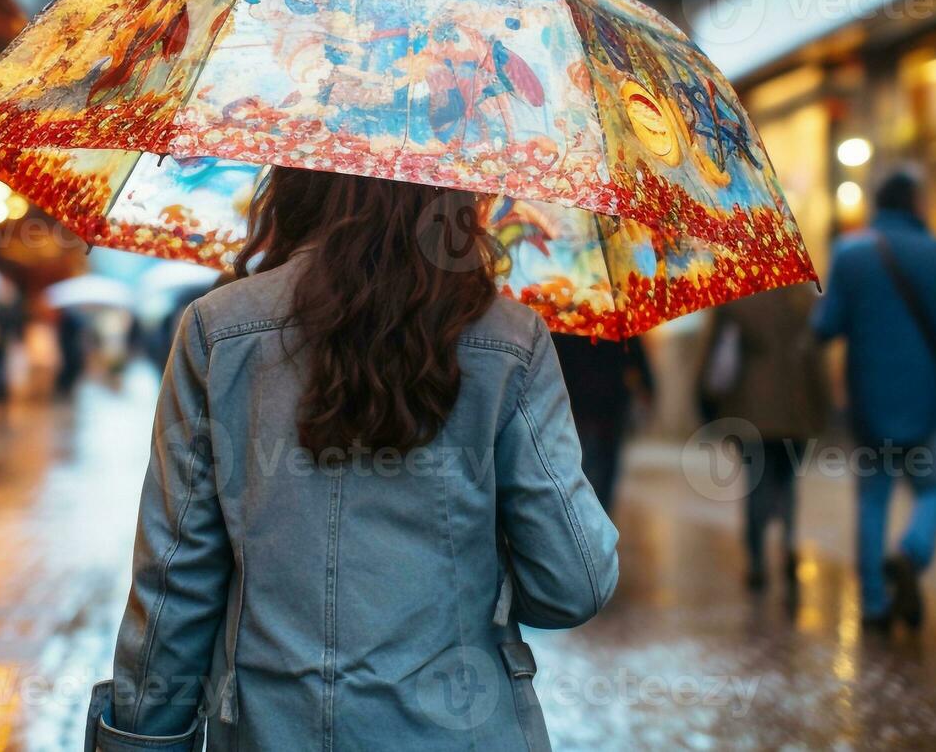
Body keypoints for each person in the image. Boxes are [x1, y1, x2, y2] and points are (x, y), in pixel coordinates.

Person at [88, 168, 619, 751]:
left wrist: (140, 739)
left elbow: (174, 583)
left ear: (294, 182)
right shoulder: (510, 340)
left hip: (273, 731)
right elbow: (572, 583)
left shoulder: (217, 332)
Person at [812, 167, 936, 631]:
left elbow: (825, 327)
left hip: (869, 403)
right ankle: (912, 552)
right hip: (931, 401)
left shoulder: (849, 254)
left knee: (873, 500)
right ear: (914, 204)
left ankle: (873, 604)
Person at [702, 283, 827, 593]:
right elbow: (815, 356)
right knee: (787, 481)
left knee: (756, 483)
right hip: (796, 408)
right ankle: (787, 544)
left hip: (751, 410)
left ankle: (757, 560)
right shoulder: (803, 299)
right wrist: (823, 405)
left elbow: (718, 358)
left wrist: (706, 400)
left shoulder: (735, 298)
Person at [550, 333, 652, 512]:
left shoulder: (565, 324)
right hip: (609, 404)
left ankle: (580, 514)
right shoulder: (616, 324)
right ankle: (599, 514)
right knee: (606, 465)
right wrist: (648, 387)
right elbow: (636, 357)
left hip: (577, 405)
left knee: (579, 462)